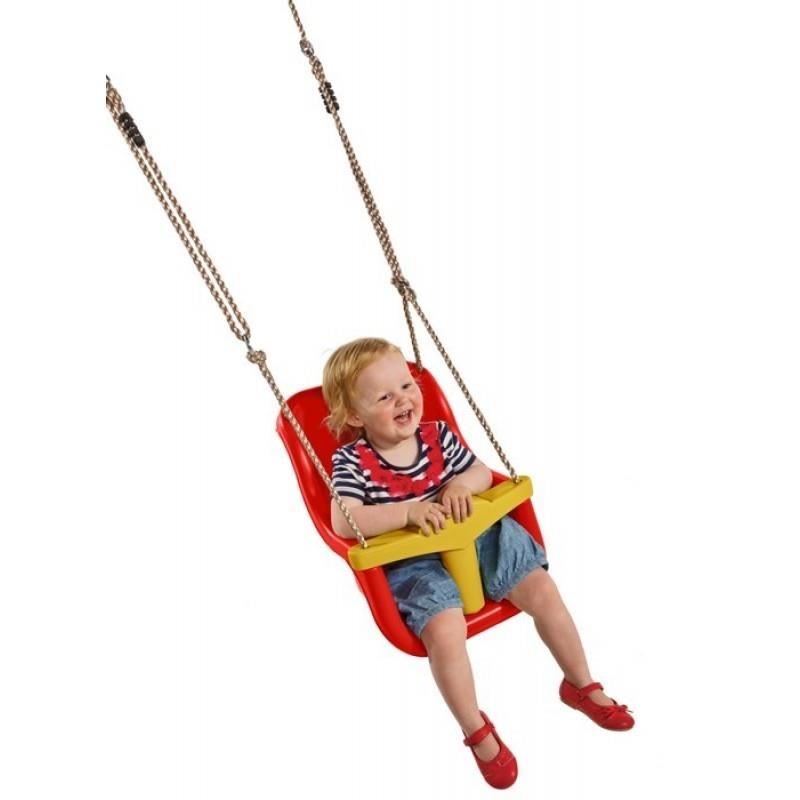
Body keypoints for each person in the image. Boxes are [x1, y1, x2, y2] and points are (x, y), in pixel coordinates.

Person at [322, 337, 633, 790]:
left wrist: (459, 487)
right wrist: (407, 513)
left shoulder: (437, 436)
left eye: (406, 386)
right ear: (354, 416)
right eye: (384, 397)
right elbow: (344, 521)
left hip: (479, 537)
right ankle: (476, 729)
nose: (403, 400)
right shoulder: (352, 461)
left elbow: (481, 473)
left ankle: (581, 685)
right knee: (445, 632)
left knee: (543, 591)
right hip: (413, 559)